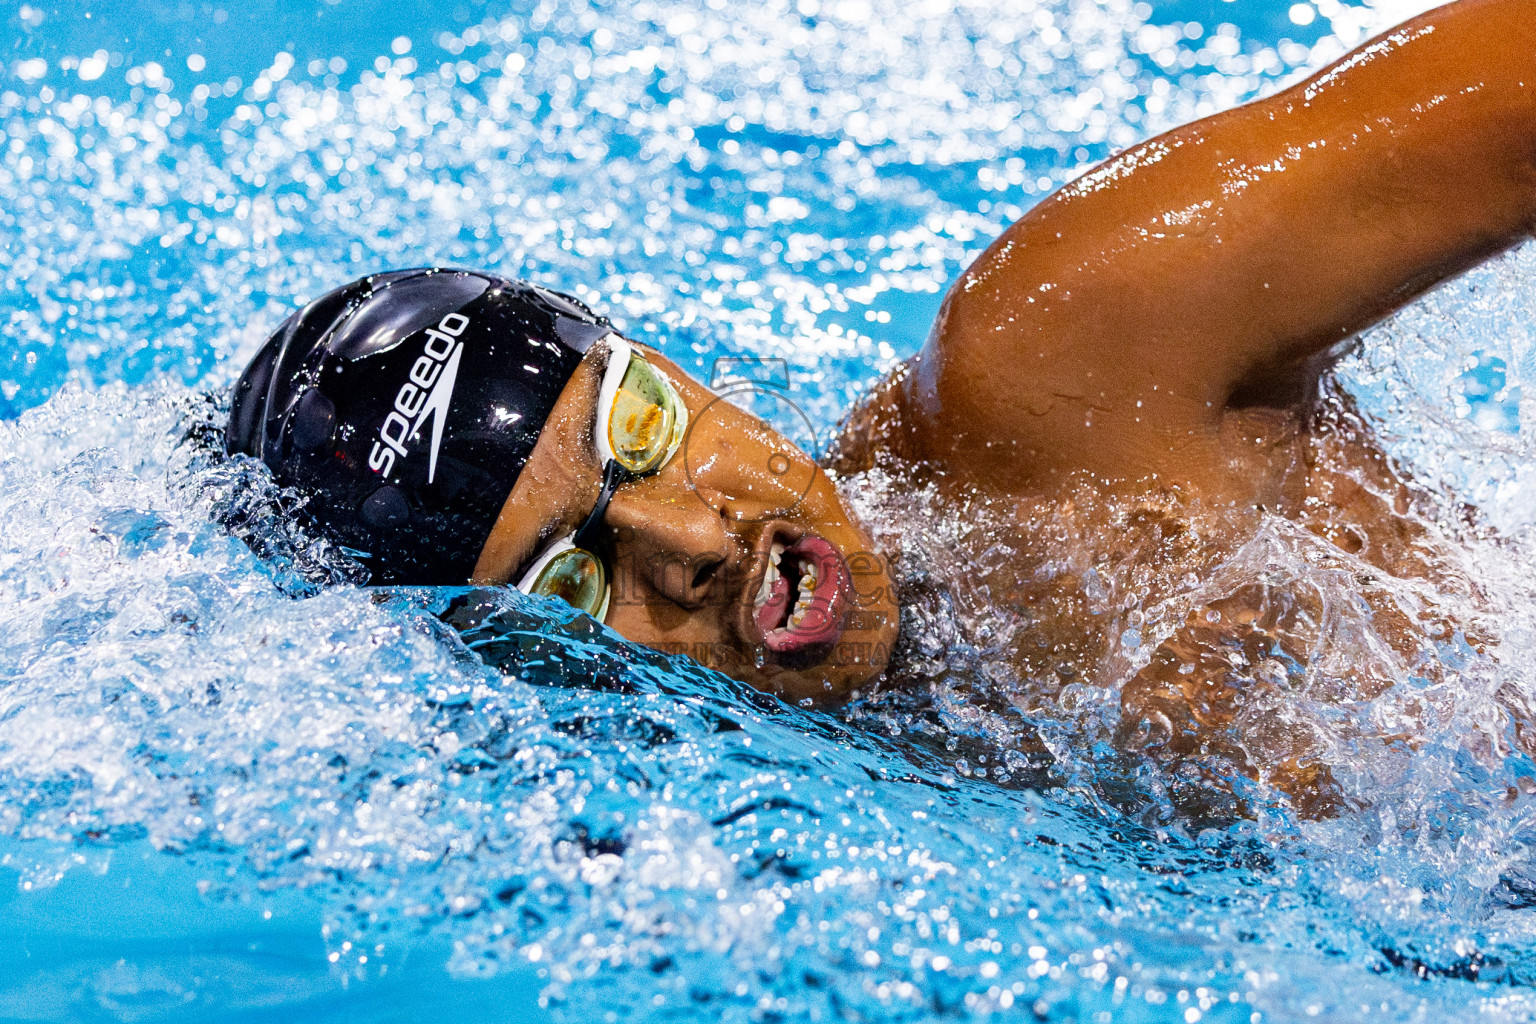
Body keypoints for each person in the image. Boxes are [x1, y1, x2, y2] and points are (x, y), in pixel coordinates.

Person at [225, 0, 1536, 812]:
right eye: (574, 585)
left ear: (671, 365)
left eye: (642, 431)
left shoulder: (1060, 362)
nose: (698, 542)